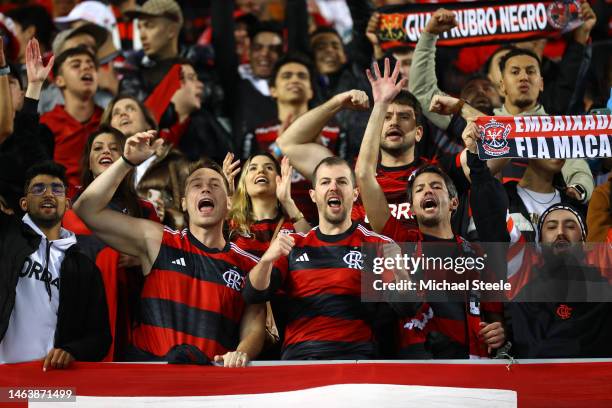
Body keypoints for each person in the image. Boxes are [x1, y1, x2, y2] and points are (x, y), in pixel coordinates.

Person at [73, 130, 265, 366]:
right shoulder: (158, 240)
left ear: (228, 203)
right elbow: (86, 209)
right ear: (184, 203)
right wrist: (126, 162)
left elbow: (255, 322)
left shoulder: (248, 264)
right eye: (196, 185)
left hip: (210, 385)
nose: (205, 189)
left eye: (215, 184)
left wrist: (241, 352)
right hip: (151, 383)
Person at [356, 61, 505, 359]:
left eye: (436, 186)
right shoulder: (400, 240)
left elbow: (502, 144)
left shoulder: (477, 255)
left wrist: (461, 109)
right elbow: (363, 174)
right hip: (420, 371)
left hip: (474, 371)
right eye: (420, 189)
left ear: (454, 201)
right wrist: (380, 104)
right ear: (410, 207)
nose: (427, 190)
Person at [465, 127, 612, 358]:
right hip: (537, 387)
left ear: (585, 242)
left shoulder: (605, 277)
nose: (561, 232)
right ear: (538, 241)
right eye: (551, 227)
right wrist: (476, 159)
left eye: (571, 226)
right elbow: (491, 218)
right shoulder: (523, 266)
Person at [243, 156, 398, 360]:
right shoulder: (294, 244)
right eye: (325, 182)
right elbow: (253, 295)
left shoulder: (375, 245)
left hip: (357, 362)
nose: (333, 187)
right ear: (313, 195)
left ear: (355, 193)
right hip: (300, 362)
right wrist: (266, 260)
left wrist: (401, 271)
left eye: (342, 181)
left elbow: (405, 308)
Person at [0, 161, 111, 368]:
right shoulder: (6, 236)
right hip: (3, 377)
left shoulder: (84, 267)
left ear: (67, 204)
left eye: (57, 189)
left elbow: (100, 337)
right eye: (38, 188)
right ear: (24, 203)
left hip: (53, 385)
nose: (48, 194)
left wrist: (72, 350)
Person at [63, 126, 159, 360]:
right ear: (88, 162)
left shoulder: (143, 209)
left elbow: (163, 260)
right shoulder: (67, 201)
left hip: (127, 308)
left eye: (114, 148)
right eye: (98, 148)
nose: (106, 152)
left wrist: (139, 259)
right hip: (75, 306)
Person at [243, 53, 345, 221]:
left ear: (311, 91)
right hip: (271, 224)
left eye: (302, 76)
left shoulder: (335, 132)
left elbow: (347, 180)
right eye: (287, 76)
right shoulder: (256, 134)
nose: (295, 80)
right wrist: (279, 148)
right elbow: (245, 185)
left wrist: (320, 150)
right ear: (272, 90)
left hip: (325, 222)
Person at [39, 45, 102, 198]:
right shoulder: (46, 124)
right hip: (62, 202)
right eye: (76, 65)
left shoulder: (110, 119)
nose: (86, 67)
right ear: (59, 80)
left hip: (105, 200)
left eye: (91, 65)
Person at [0, 39, 51, 213]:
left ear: (22, 96)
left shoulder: (42, 134)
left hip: (25, 224)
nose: (2, 87)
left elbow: (41, 176)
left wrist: (35, 86)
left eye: (9, 82)